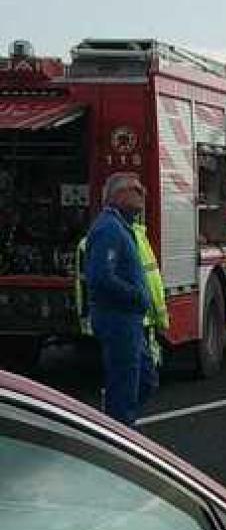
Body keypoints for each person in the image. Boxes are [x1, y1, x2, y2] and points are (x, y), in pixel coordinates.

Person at [82, 173, 157, 427]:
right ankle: (119, 432)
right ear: (118, 196)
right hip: (118, 319)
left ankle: (120, 423)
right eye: (136, 189)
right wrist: (136, 296)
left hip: (131, 319)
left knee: (146, 379)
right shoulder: (108, 230)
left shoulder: (124, 228)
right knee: (124, 384)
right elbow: (100, 277)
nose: (143, 193)